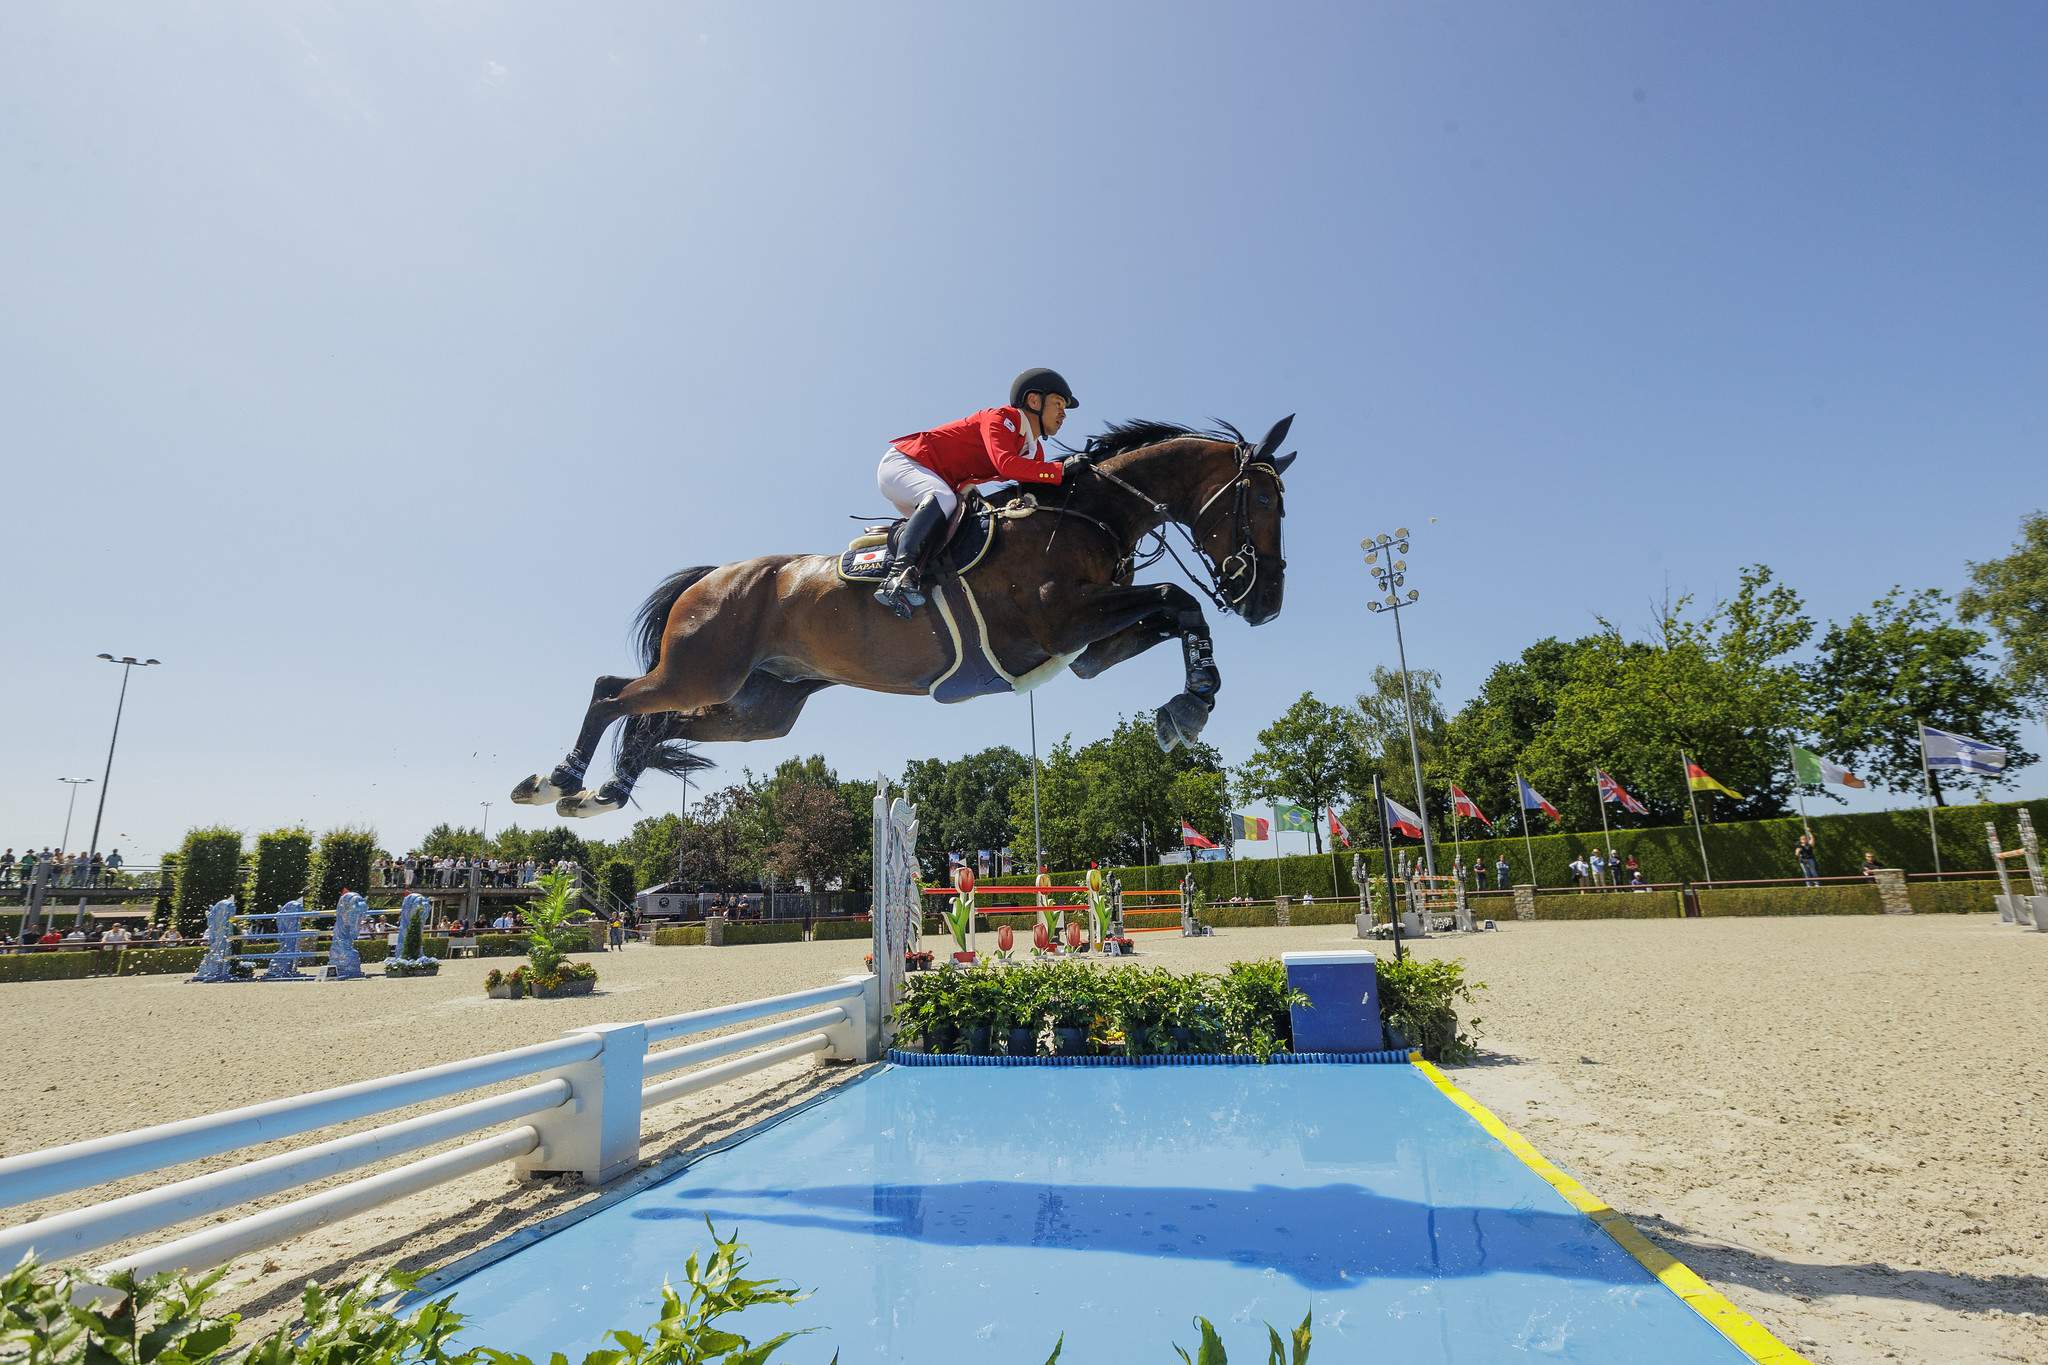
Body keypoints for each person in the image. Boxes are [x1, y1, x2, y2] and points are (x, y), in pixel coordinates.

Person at [871, 368, 1078, 618]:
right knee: (944, 499)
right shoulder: (1001, 417)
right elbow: (1006, 464)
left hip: (940, 485)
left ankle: (926, 584)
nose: (1063, 414)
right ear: (1034, 401)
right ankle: (898, 575)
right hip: (906, 462)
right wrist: (1060, 470)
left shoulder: (1035, 453)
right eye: (1058, 404)